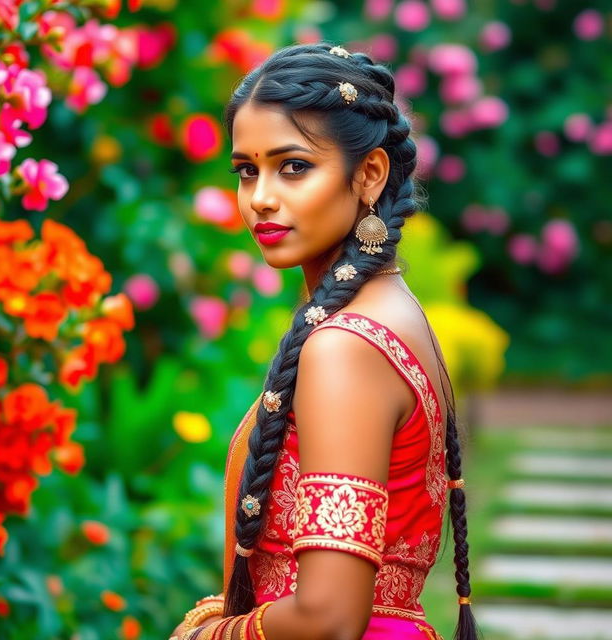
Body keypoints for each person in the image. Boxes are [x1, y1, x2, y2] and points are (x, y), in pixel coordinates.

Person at [170, 43, 479, 640]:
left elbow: (330, 617)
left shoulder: (345, 346)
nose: (260, 196)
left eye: (293, 166)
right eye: (245, 170)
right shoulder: (391, 309)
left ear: (369, 175)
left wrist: (205, 634)